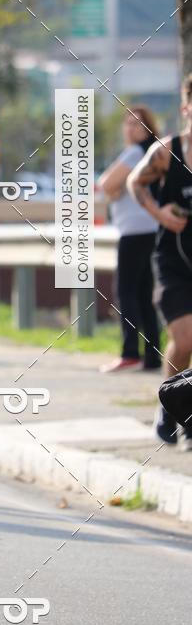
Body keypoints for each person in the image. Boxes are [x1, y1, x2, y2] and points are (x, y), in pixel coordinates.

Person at [129, 75, 192, 448]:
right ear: (186, 108)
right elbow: (136, 183)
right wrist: (160, 214)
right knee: (184, 338)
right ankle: (171, 407)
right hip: (173, 260)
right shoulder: (170, 150)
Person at [99, 105, 162, 372]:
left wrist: (114, 191)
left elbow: (105, 185)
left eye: (138, 124)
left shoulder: (135, 152)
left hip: (135, 232)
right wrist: (114, 189)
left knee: (125, 292)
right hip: (150, 230)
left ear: (148, 128)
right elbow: (111, 187)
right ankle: (152, 356)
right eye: (128, 123)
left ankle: (129, 352)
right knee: (144, 294)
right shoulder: (152, 152)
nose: (131, 128)